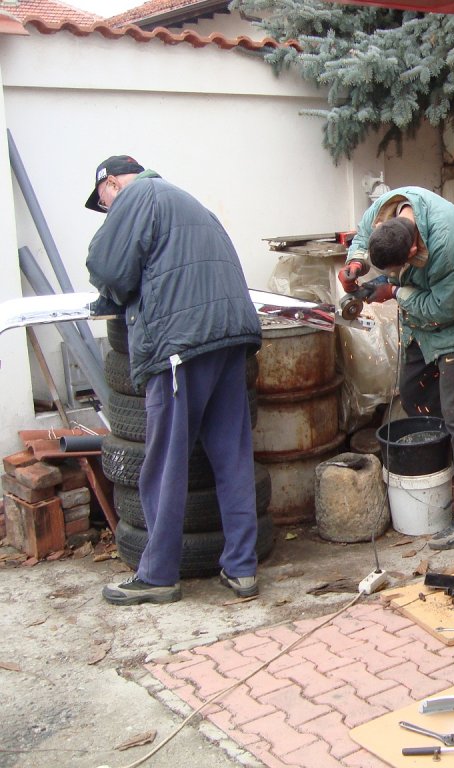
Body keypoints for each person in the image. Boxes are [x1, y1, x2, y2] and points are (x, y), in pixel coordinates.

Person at [84, 155, 262, 605]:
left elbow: (107, 267)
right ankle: (242, 569)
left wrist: (113, 297)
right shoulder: (190, 203)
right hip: (231, 338)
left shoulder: (136, 195)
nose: (106, 209)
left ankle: (159, 574)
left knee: (165, 461)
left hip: (181, 346)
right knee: (233, 457)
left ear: (112, 184)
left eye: (102, 200)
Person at [341, 187, 454, 550]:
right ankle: (446, 475)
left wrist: (394, 293)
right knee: (414, 396)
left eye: (397, 270)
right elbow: (361, 237)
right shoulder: (387, 209)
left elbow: (444, 309)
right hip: (418, 326)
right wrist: (355, 264)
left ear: (412, 252)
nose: (394, 276)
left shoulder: (453, 243)